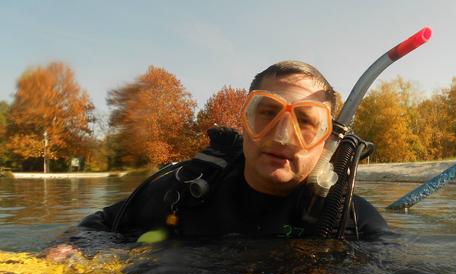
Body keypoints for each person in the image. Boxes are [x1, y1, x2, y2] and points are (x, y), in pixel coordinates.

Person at [47, 61, 387, 260]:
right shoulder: (187, 189)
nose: (282, 136)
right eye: (266, 114)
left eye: (305, 122)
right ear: (245, 124)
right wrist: (70, 251)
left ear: (327, 140)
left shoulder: (351, 221)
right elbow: (96, 226)